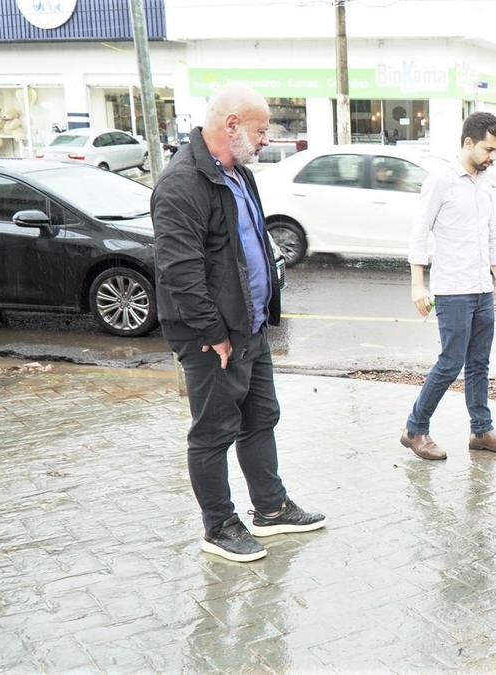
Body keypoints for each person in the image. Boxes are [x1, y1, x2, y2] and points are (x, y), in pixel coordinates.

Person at [151, 85, 325, 563]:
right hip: (212, 337)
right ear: (231, 126)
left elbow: (247, 247)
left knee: (260, 417)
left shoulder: (238, 174)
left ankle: (270, 509)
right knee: (213, 431)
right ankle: (219, 526)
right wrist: (213, 333)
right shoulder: (182, 182)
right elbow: (179, 271)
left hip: (249, 327)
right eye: (261, 129)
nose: (267, 139)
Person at [402, 112, 496, 460]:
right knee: (451, 362)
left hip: (482, 287)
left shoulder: (483, 182)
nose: (492, 157)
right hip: (452, 289)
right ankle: (415, 428)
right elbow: (419, 233)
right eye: (488, 149)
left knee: (479, 363)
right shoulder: (441, 181)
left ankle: (481, 430)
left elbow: (490, 235)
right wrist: (418, 286)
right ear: (468, 142)